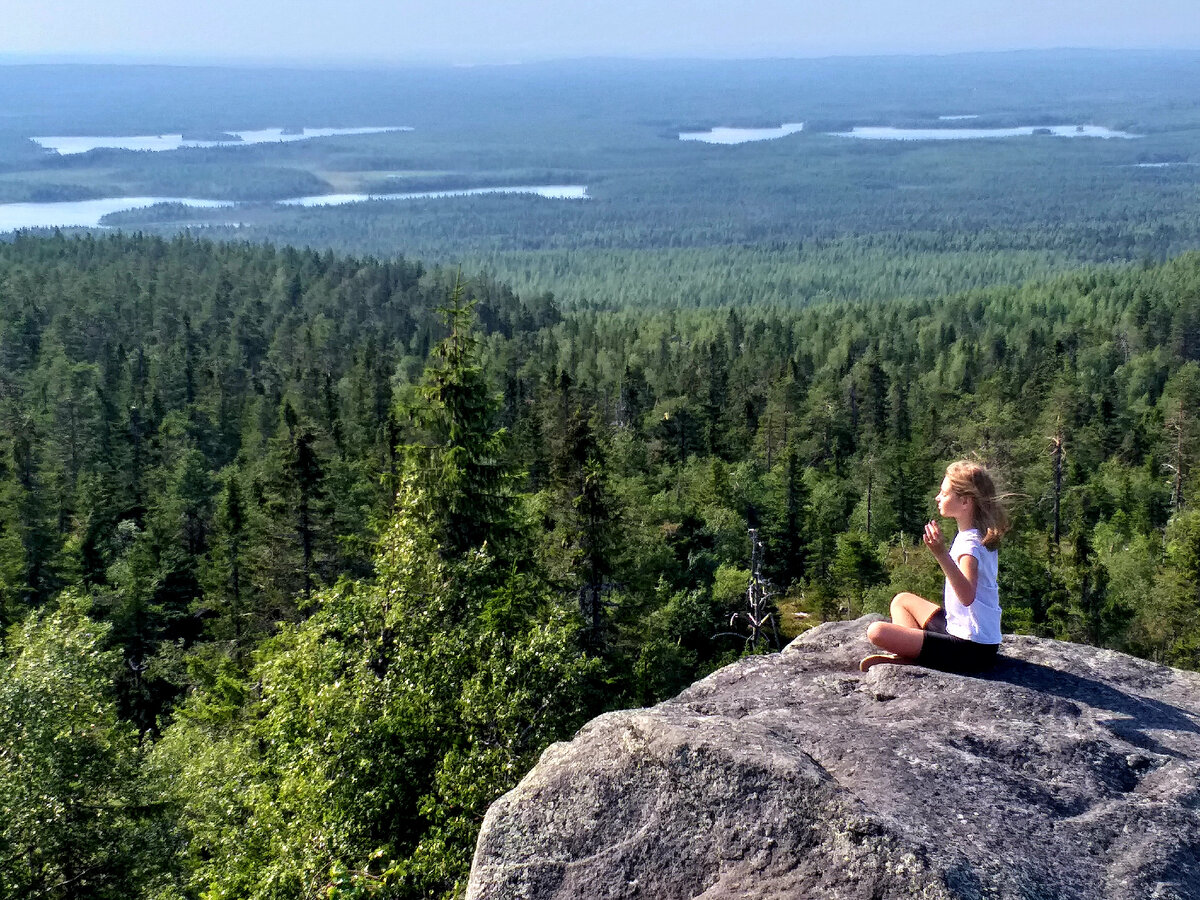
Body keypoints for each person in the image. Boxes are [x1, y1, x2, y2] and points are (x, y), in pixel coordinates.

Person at [859, 460, 1010, 673]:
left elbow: (967, 596)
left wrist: (940, 553)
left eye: (944, 493)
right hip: (972, 638)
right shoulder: (977, 535)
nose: (938, 497)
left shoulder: (970, 545)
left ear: (965, 501)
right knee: (902, 600)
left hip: (971, 650)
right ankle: (912, 652)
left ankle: (914, 656)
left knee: (877, 632)